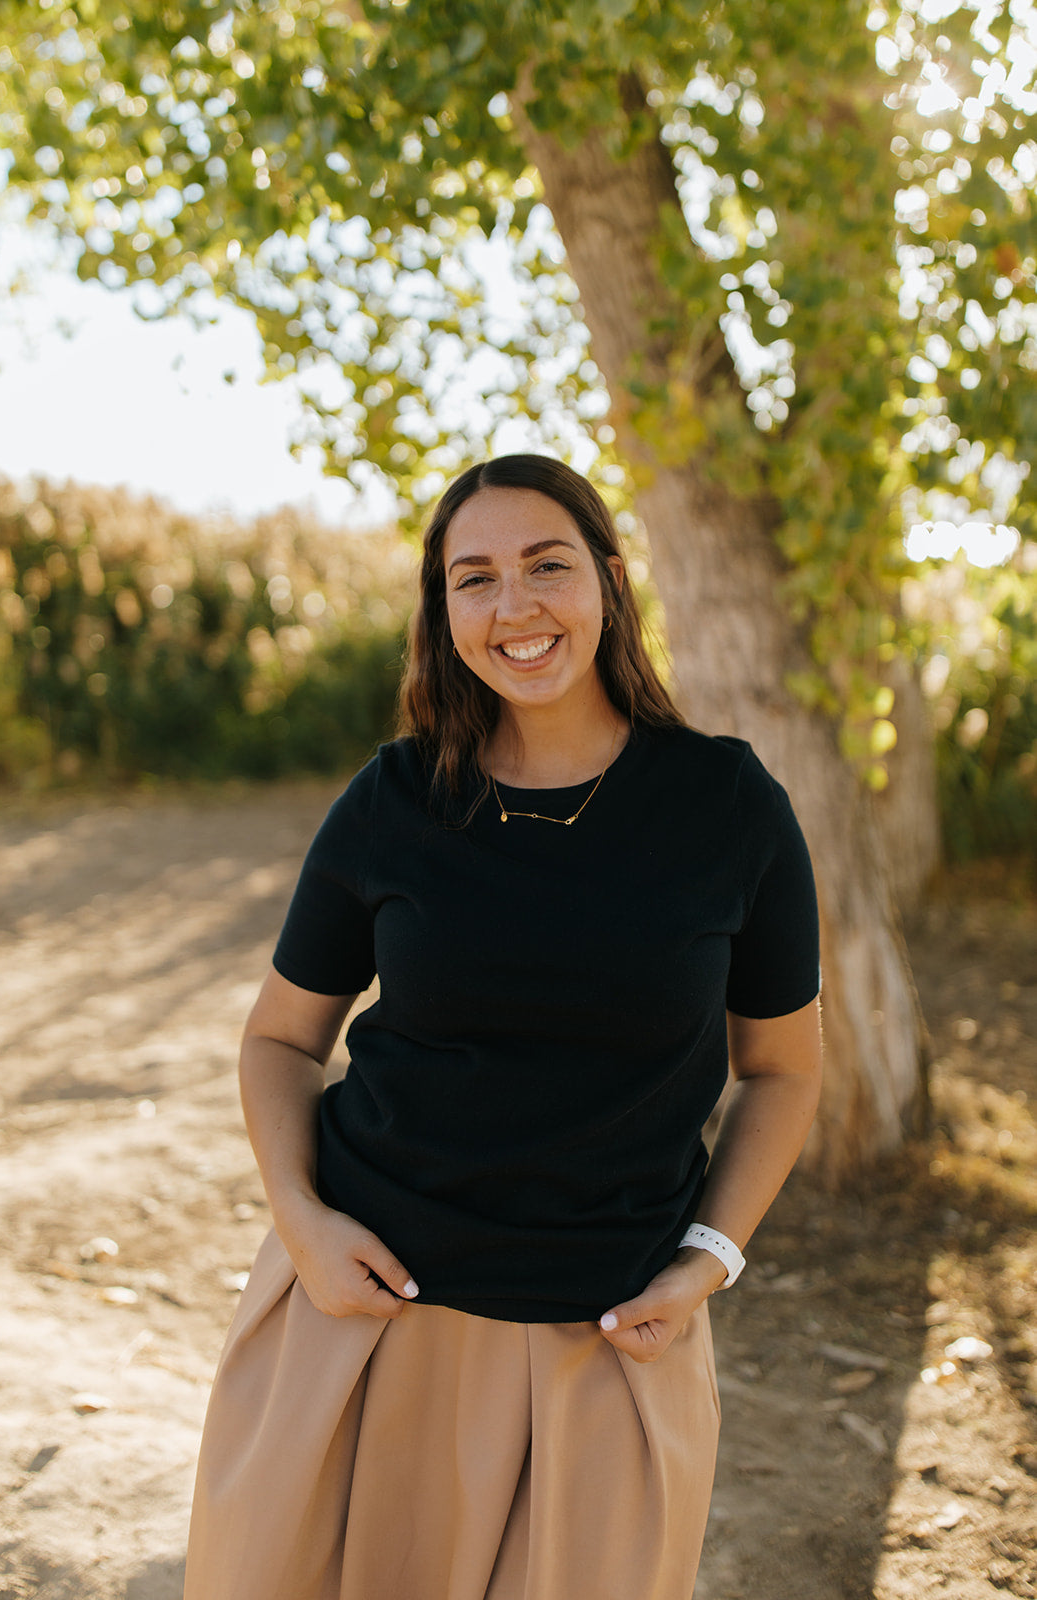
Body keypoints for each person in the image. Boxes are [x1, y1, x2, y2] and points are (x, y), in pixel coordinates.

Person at [182, 453, 823, 1600]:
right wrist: (304, 1224)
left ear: (609, 583)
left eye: (545, 566)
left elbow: (779, 1070)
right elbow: (279, 1040)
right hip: (360, 1321)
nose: (512, 606)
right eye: (471, 578)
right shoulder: (394, 800)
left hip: (605, 1339)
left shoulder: (727, 808)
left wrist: (708, 1261)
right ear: (441, 613)